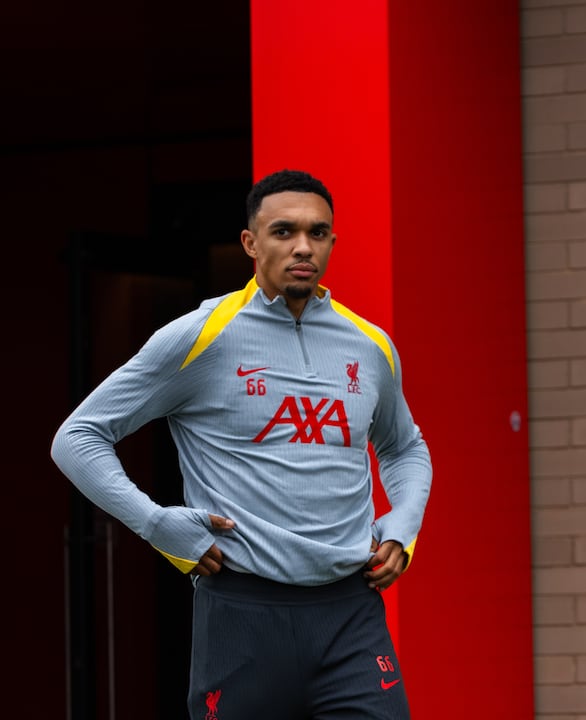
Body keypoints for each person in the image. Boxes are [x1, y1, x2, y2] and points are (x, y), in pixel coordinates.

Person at [51, 169, 432, 719]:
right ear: (251, 243)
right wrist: (157, 523)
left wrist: (402, 526)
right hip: (242, 612)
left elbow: (404, 448)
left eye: (318, 232)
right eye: (284, 231)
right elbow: (79, 437)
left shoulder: (371, 345)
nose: (303, 247)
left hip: (351, 612)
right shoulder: (200, 335)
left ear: (332, 241)